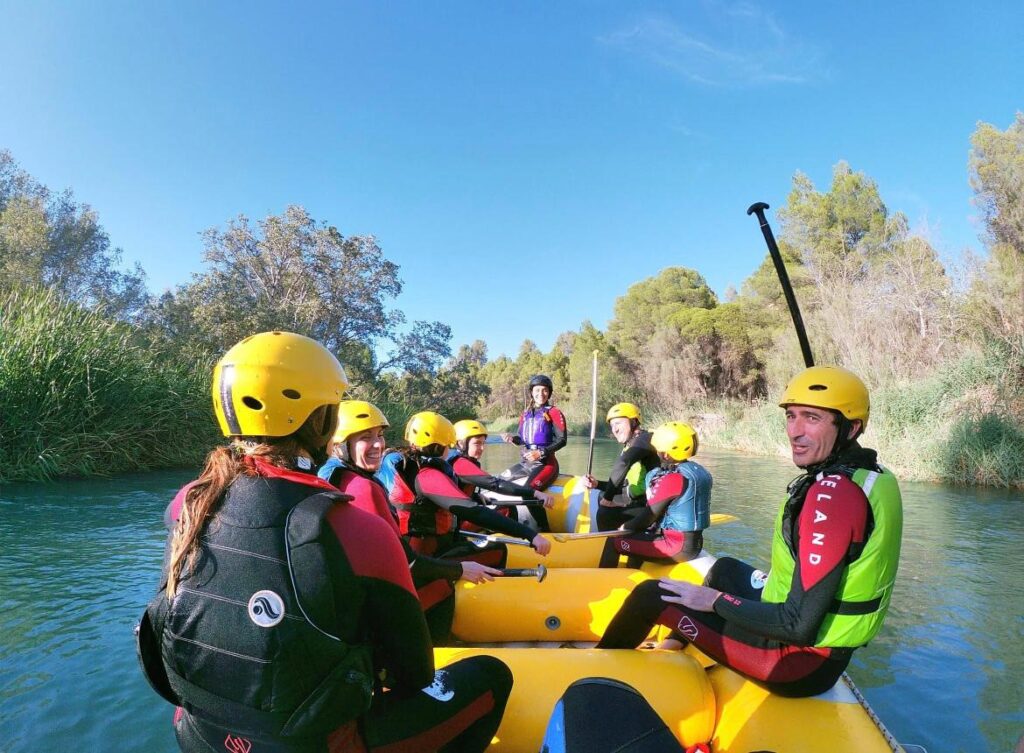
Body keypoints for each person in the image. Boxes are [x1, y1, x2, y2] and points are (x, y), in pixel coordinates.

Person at [136, 331, 512, 753]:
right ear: (319, 420)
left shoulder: (187, 503)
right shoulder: (356, 528)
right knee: (493, 676)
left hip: (198, 735)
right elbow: (415, 675)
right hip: (315, 745)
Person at [597, 366, 903, 699]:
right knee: (724, 568)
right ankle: (674, 645)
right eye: (792, 416)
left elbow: (797, 625)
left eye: (812, 419)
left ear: (851, 427)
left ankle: (597, 678)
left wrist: (714, 601)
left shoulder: (833, 495)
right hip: (814, 639)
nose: (795, 432)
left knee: (650, 595)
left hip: (799, 661)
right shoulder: (871, 474)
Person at [319, 400, 503, 643]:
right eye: (366, 437)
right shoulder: (363, 489)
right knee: (442, 585)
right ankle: (433, 658)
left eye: (380, 435)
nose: (378, 444)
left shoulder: (332, 479)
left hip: (350, 603)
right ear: (341, 445)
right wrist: (461, 569)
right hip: (375, 614)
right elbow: (407, 564)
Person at [381, 411, 552, 566]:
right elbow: (473, 511)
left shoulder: (411, 466)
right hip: (425, 557)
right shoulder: (428, 474)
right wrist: (530, 534)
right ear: (440, 446)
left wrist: (476, 498)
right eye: (448, 445)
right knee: (497, 550)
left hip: (423, 549)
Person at [597, 421, 712, 568]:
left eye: (657, 450)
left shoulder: (672, 479)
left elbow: (647, 517)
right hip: (694, 543)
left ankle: (606, 580)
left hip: (676, 547)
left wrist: (624, 527)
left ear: (665, 454)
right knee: (639, 536)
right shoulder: (699, 472)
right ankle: (632, 570)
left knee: (615, 541)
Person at [449, 418, 555, 531]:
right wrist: (534, 493)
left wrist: (475, 496)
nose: (482, 448)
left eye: (483, 443)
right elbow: (495, 484)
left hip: (457, 518)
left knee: (502, 509)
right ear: (460, 444)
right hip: (456, 525)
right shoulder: (461, 464)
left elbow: (456, 491)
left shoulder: (460, 461)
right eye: (477, 443)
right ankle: (513, 544)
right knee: (508, 510)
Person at [500, 374, 568, 530]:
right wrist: (512, 438)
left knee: (528, 492)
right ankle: (510, 522)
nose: (541, 394)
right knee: (500, 482)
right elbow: (522, 439)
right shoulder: (526, 414)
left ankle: (545, 529)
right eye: (537, 390)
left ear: (549, 393)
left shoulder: (554, 412)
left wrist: (541, 453)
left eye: (545, 390)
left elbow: (562, 440)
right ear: (532, 392)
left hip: (546, 464)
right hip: (525, 463)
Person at [581, 402, 660, 532]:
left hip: (651, 508)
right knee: (600, 495)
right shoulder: (630, 445)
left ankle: (610, 548)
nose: (615, 429)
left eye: (618, 423)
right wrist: (597, 484)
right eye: (612, 425)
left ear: (634, 422)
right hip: (636, 501)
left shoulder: (645, 439)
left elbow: (623, 463)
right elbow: (623, 485)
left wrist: (608, 498)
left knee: (604, 512)